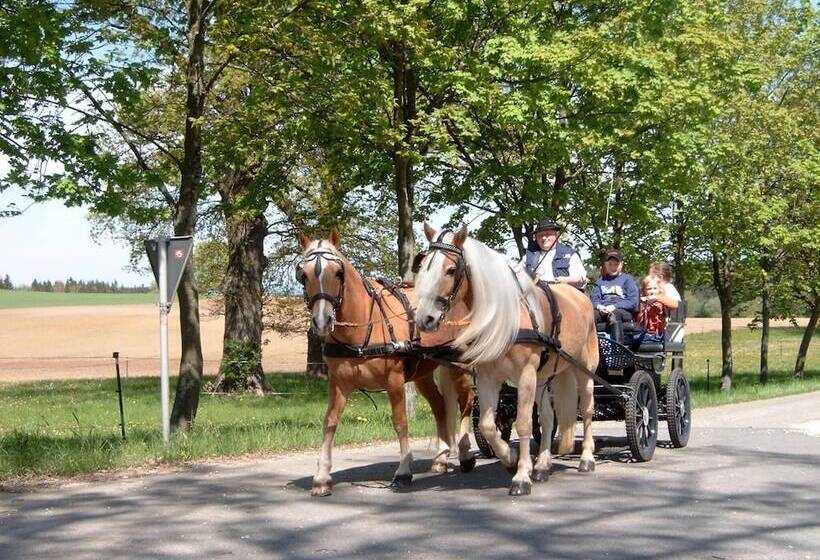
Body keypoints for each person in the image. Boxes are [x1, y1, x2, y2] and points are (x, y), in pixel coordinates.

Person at [521, 218, 588, 289]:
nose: (544, 238)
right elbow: (518, 276)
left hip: (564, 294)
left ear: (556, 235)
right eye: (540, 235)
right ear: (536, 238)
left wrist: (563, 280)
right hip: (535, 295)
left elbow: (581, 279)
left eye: (547, 234)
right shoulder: (528, 256)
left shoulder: (569, 254)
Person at [591, 249, 639, 344]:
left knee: (614, 314)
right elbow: (594, 300)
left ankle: (617, 348)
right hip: (603, 309)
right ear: (605, 265)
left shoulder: (628, 280)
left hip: (622, 310)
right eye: (610, 264)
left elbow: (633, 302)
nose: (613, 267)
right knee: (590, 315)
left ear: (621, 264)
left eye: (616, 264)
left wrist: (614, 307)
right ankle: (592, 345)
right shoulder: (600, 282)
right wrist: (599, 307)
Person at [634, 276, 666, 348]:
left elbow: (673, 305)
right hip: (643, 333)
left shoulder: (662, 301)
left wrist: (657, 301)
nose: (652, 291)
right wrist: (643, 307)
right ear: (644, 290)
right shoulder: (641, 302)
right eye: (649, 289)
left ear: (659, 289)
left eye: (655, 288)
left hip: (657, 334)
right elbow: (639, 320)